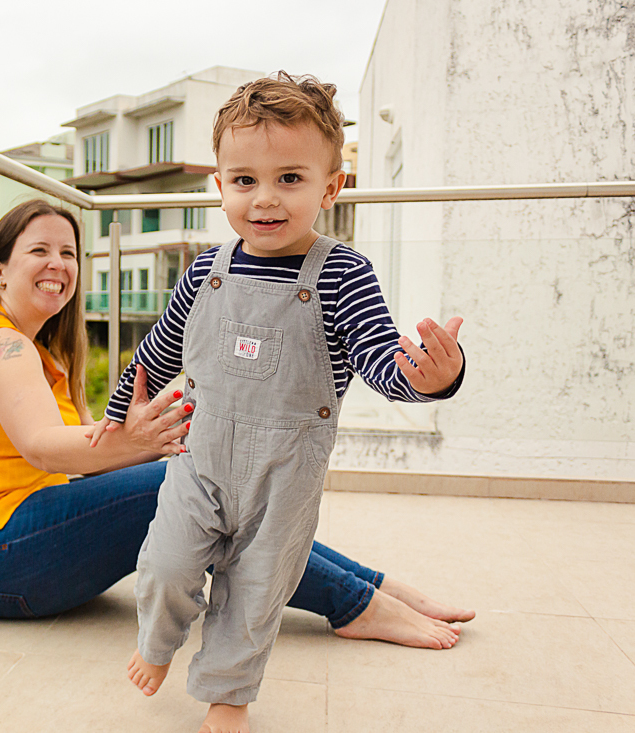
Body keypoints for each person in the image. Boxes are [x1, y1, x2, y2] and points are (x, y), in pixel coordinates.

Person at [0, 199, 471, 660]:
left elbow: (85, 458)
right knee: (189, 488)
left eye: (68, 252)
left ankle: (370, 585)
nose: (58, 263)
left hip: (12, 542)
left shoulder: (39, 352)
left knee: (205, 485)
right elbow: (42, 447)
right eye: (39, 250)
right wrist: (147, 444)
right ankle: (357, 604)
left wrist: (173, 437)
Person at [90, 74, 467, 733]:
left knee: (256, 591)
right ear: (221, 185)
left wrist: (432, 378)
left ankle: (227, 699)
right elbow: (158, 349)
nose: (264, 199)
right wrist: (118, 411)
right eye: (244, 181)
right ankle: (158, 638)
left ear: (330, 186)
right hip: (199, 458)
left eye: (290, 178)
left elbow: (382, 358)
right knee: (164, 562)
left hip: (285, 476)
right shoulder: (205, 268)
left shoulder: (343, 272)